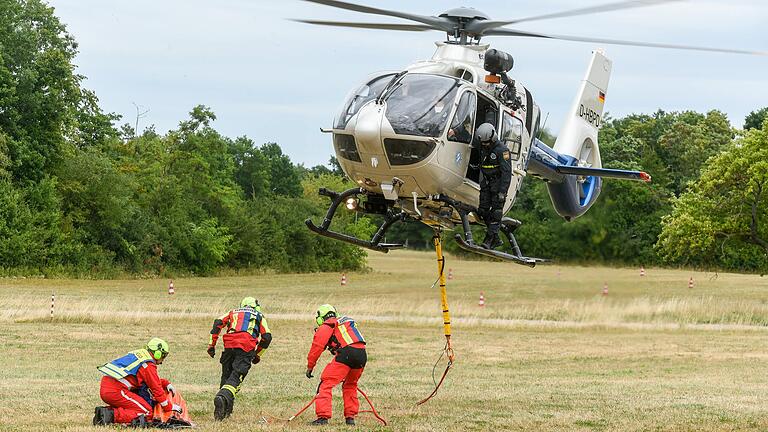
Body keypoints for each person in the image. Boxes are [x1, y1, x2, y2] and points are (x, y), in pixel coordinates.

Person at [207, 296, 272, 421]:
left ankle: (224, 412)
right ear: (256, 307)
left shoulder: (233, 312)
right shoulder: (259, 315)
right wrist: (257, 354)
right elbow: (267, 337)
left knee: (227, 376)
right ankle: (221, 396)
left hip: (229, 345)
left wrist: (212, 345)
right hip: (246, 347)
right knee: (236, 377)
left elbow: (217, 323)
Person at [93, 338, 181, 426]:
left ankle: (103, 412)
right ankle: (109, 415)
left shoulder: (140, 356)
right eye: (164, 356)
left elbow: (149, 380)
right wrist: (169, 407)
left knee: (135, 407)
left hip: (109, 387)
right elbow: (156, 388)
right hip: (116, 390)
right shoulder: (147, 365)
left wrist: (165, 383)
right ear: (158, 354)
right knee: (147, 412)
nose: (163, 360)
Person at [306, 304, 367, 426]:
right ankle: (350, 418)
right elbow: (346, 339)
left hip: (346, 354)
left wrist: (310, 366)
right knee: (350, 385)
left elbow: (317, 347)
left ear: (321, 317)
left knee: (326, 383)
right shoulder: (346, 321)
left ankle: (323, 417)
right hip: (362, 354)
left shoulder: (328, 324)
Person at [475, 122, 512, 250]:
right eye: (483, 143)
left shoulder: (503, 151)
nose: (485, 145)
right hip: (486, 183)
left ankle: (490, 239)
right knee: (482, 212)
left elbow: (507, 173)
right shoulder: (482, 144)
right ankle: (496, 238)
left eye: (487, 143)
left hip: (498, 184)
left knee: (496, 212)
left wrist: (503, 192)